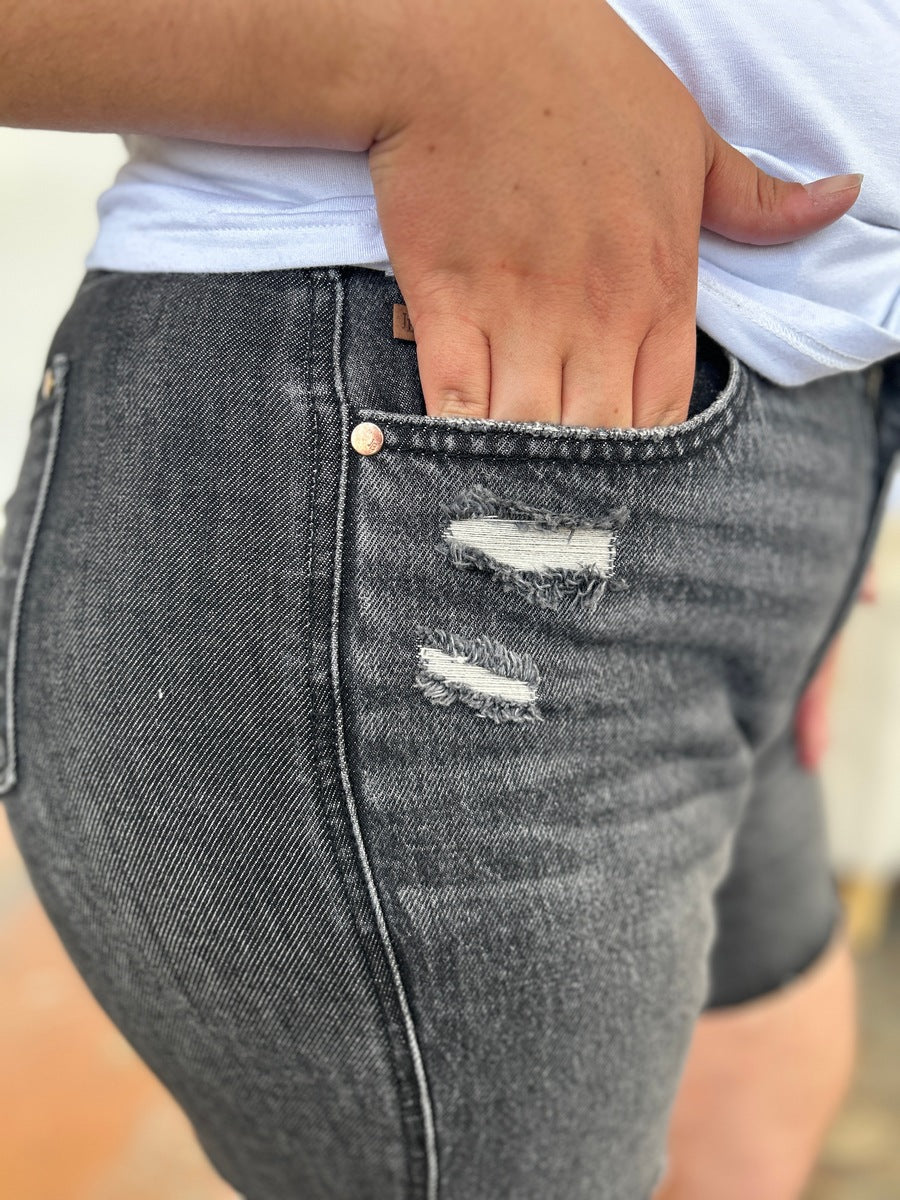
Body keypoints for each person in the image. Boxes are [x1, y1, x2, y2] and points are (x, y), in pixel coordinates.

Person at [1, 2, 898, 1197]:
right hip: (398, 416)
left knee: (761, 1077)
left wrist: (819, 509)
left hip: (795, 418)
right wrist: (436, 48)